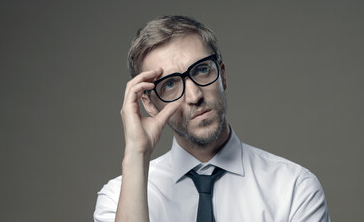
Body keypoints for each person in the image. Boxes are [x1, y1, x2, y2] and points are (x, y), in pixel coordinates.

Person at [94, 15, 331, 222]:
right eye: (169, 84)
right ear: (149, 103)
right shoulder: (118, 199)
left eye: (201, 70)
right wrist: (137, 153)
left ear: (222, 75)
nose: (194, 96)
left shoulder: (294, 188)